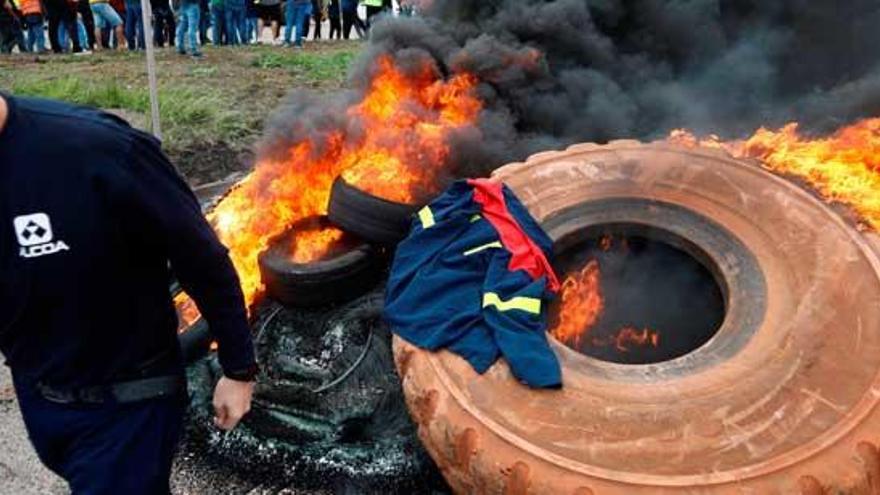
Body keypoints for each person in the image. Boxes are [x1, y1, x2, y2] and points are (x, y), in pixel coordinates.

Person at [0, 94, 257, 494]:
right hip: (40, 392)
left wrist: (239, 368)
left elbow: (201, 257)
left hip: (125, 403)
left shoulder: (98, 150)